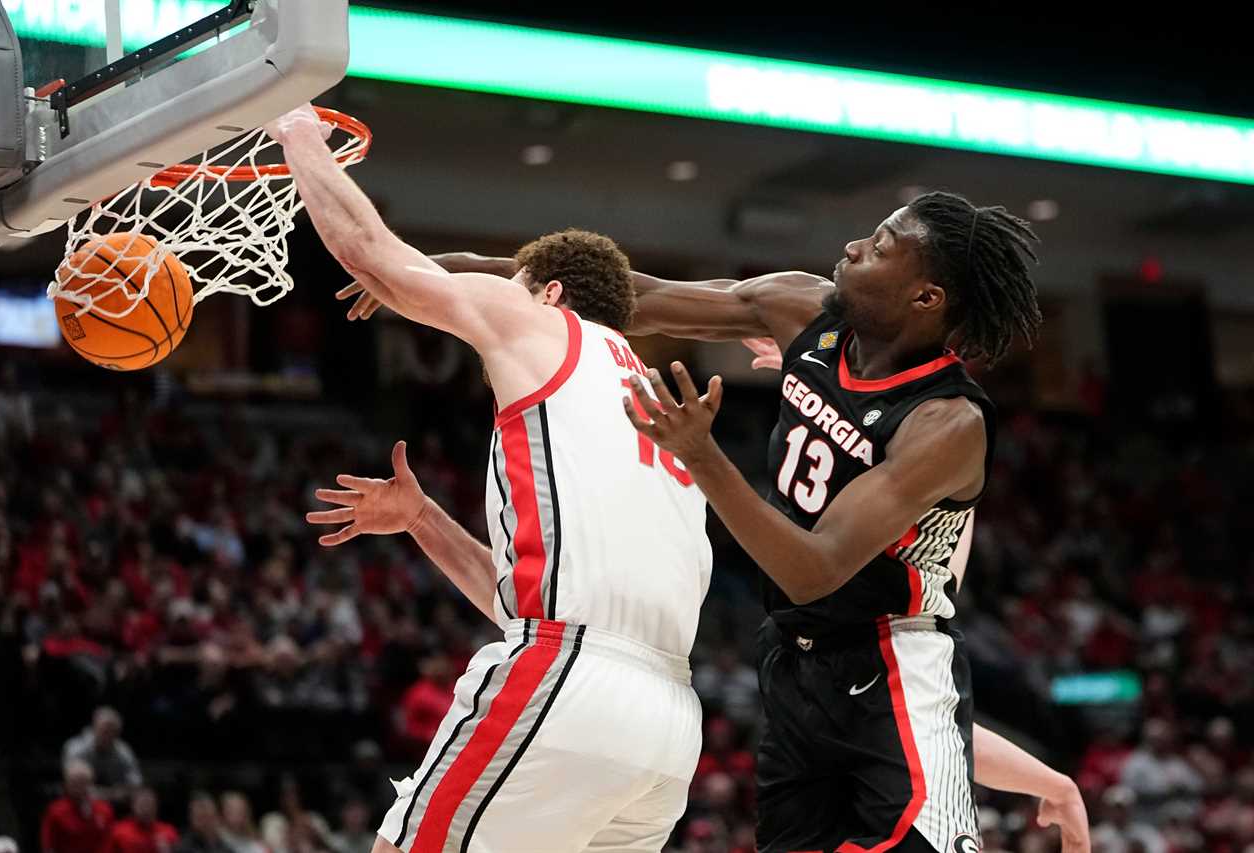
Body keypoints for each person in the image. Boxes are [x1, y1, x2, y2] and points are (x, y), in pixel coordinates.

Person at [392, 192, 1089, 851]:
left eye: (880, 247)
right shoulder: (801, 305)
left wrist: (701, 453)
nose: (851, 246)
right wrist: (451, 281)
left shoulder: (947, 421)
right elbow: (639, 297)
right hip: (791, 667)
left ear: (925, 297)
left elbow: (812, 569)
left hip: (894, 653)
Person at [267, 104, 712, 853]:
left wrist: (299, 134)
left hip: (569, 683)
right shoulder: (652, 407)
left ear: (550, 293)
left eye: (517, 283)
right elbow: (538, 604)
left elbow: (374, 254)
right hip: (668, 727)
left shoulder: (544, 323)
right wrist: (422, 519)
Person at [40, 760, 114, 853]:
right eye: (75, 783)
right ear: (66, 785)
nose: (80, 787)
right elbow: (48, 846)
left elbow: (109, 842)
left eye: (84, 782)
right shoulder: (56, 811)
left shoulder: (104, 809)